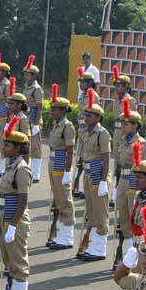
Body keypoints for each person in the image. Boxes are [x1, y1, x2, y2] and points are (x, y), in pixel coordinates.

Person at [0, 129, 32, 290]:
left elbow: (22, 201)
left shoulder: (22, 169)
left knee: (18, 263)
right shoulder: (10, 165)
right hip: (4, 216)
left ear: (17, 148)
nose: (4, 147)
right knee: (9, 263)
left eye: (8, 145)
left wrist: (13, 226)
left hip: (14, 219)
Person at [112, 101, 146, 269]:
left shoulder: (141, 143)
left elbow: (141, 167)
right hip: (122, 182)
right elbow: (119, 163)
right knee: (124, 220)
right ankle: (127, 258)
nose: (122, 127)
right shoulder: (122, 141)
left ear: (135, 125)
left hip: (134, 183)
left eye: (126, 124)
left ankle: (138, 258)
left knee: (135, 221)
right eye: (122, 124)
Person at [75, 93, 111, 262]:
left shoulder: (102, 134)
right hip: (88, 173)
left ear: (98, 117)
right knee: (89, 210)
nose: (86, 118)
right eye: (85, 115)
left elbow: (106, 158)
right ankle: (89, 244)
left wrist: (104, 180)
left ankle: (99, 248)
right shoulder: (84, 132)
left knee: (100, 212)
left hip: (98, 173)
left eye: (89, 115)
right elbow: (82, 152)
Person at [46, 91, 76, 249]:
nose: (52, 112)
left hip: (60, 161)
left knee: (65, 199)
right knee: (57, 198)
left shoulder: (67, 127)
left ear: (63, 111)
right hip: (52, 160)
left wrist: (67, 171)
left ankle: (67, 235)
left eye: (55, 109)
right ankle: (59, 232)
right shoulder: (56, 125)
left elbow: (70, 150)